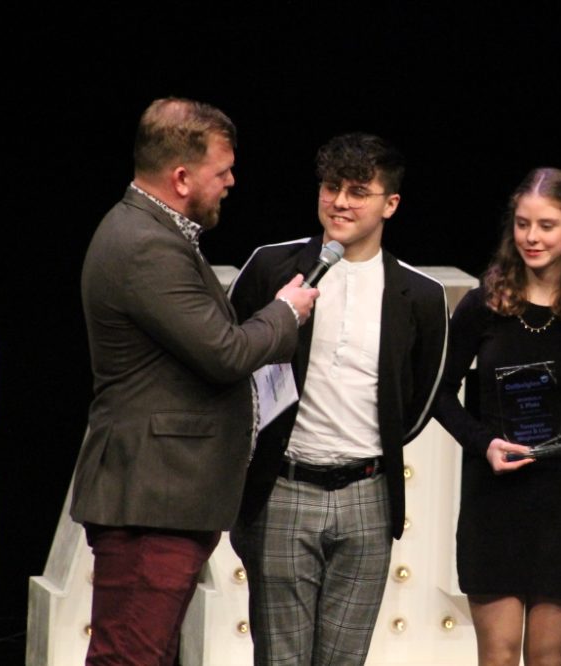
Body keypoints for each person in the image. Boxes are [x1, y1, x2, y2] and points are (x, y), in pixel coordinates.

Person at [70, 97, 318, 666]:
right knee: (128, 657)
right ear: (181, 177)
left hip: (166, 498)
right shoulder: (146, 245)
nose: (232, 181)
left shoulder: (157, 232)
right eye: (222, 170)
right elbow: (226, 353)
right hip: (150, 498)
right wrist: (286, 312)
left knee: (144, 653)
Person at [228, 132, 449, 665]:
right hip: (285, 485)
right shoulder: (272, 266)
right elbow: (229, 356)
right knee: (281, 658)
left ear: (390, 204)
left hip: (367, 497)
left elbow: (419, 398)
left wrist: (376, 445)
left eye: (357, 190)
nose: (340, 202)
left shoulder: (419, 294)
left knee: (345, 658)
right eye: (331, 187)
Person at [433, 167, 561, 666]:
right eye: (523, 224)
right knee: (497, 657)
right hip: (495, 500)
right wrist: (484, 444)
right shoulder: (484, 305)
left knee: (547, 659)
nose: (532, 237)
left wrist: (560, 442)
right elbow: (437, 393)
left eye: (546, 225)